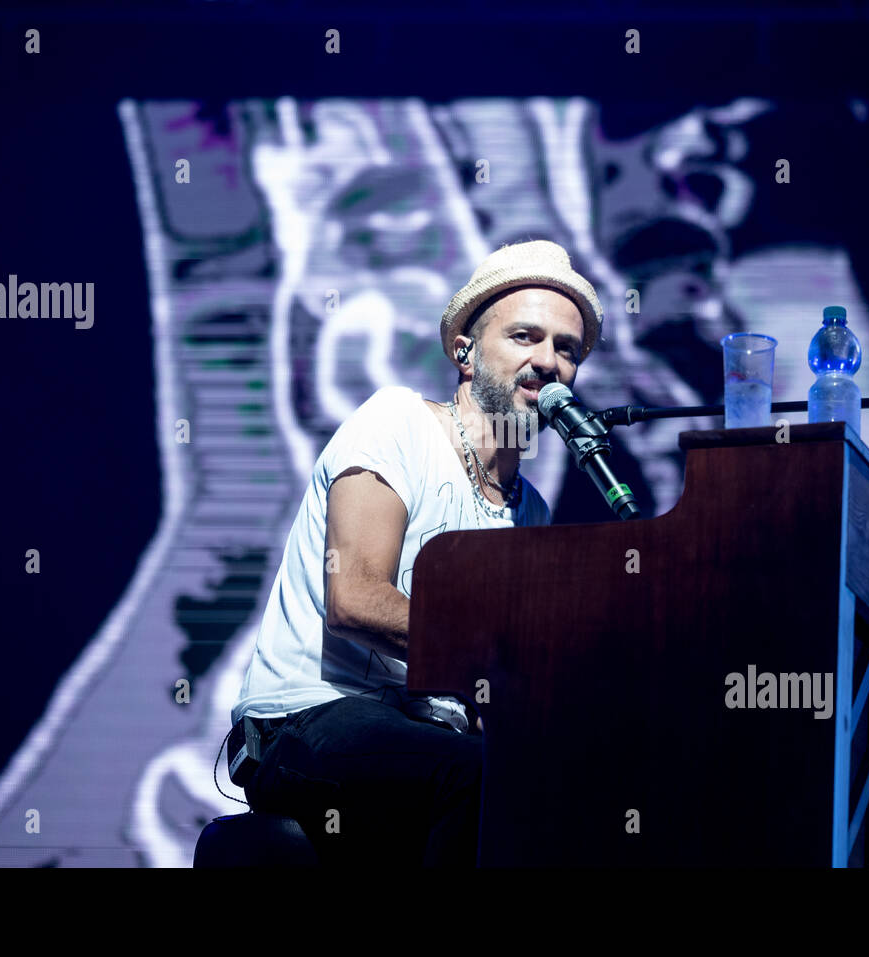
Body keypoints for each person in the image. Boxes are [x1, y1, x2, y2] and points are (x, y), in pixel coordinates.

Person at [231, 239, 604, 866]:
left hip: (430, 730)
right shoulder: (397, 422)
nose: (547, 361)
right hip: (311, 717)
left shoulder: (530, 509)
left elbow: (492, 695)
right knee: (468, 774)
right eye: (524, 337)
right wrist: (501, 655)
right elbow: (352, 600)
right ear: (464, 351)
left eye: (566, 348)